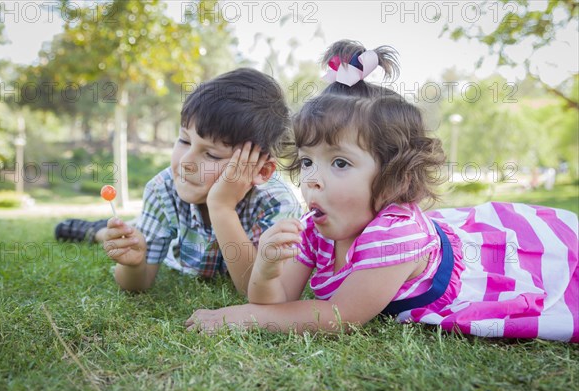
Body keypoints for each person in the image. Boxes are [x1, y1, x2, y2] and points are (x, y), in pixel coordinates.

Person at [185, 40, 579, 342]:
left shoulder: (395, 232)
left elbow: (339, 316)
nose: (312, 179)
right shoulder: (312, 228)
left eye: (340, 162)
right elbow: (275, 301)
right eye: (307, 162)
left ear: (395, 176)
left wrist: (239, 316)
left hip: (490, 261)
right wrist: (267, 270)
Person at [57, 68, 302, 294]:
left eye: (212, 154)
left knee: (139, 226)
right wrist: (133, 264)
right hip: (174, 249)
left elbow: (253, 290)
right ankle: (96, 231)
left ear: (262, 171)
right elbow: (139, 284)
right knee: (131, 233)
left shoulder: (277, 203)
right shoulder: (163, 188)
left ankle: (102, 228)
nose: (186, 162)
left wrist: (222, 207)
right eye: (184, 140)